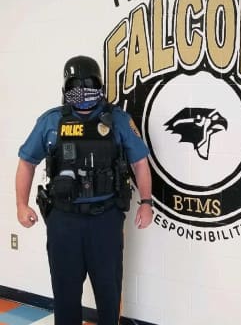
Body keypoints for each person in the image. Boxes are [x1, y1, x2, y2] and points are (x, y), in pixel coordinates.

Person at [15, 55, 153, 325]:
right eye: (75, 86)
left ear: (99, 85)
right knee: (65, 293)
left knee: (108, 292)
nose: (82, 92)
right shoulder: (51, 121)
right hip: (64, 220)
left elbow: (140, 162)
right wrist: (21, 204)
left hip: (106, 218)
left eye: (88, 85)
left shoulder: (118, 120)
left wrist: (146, 202)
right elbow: (26, 161)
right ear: (65, 88)